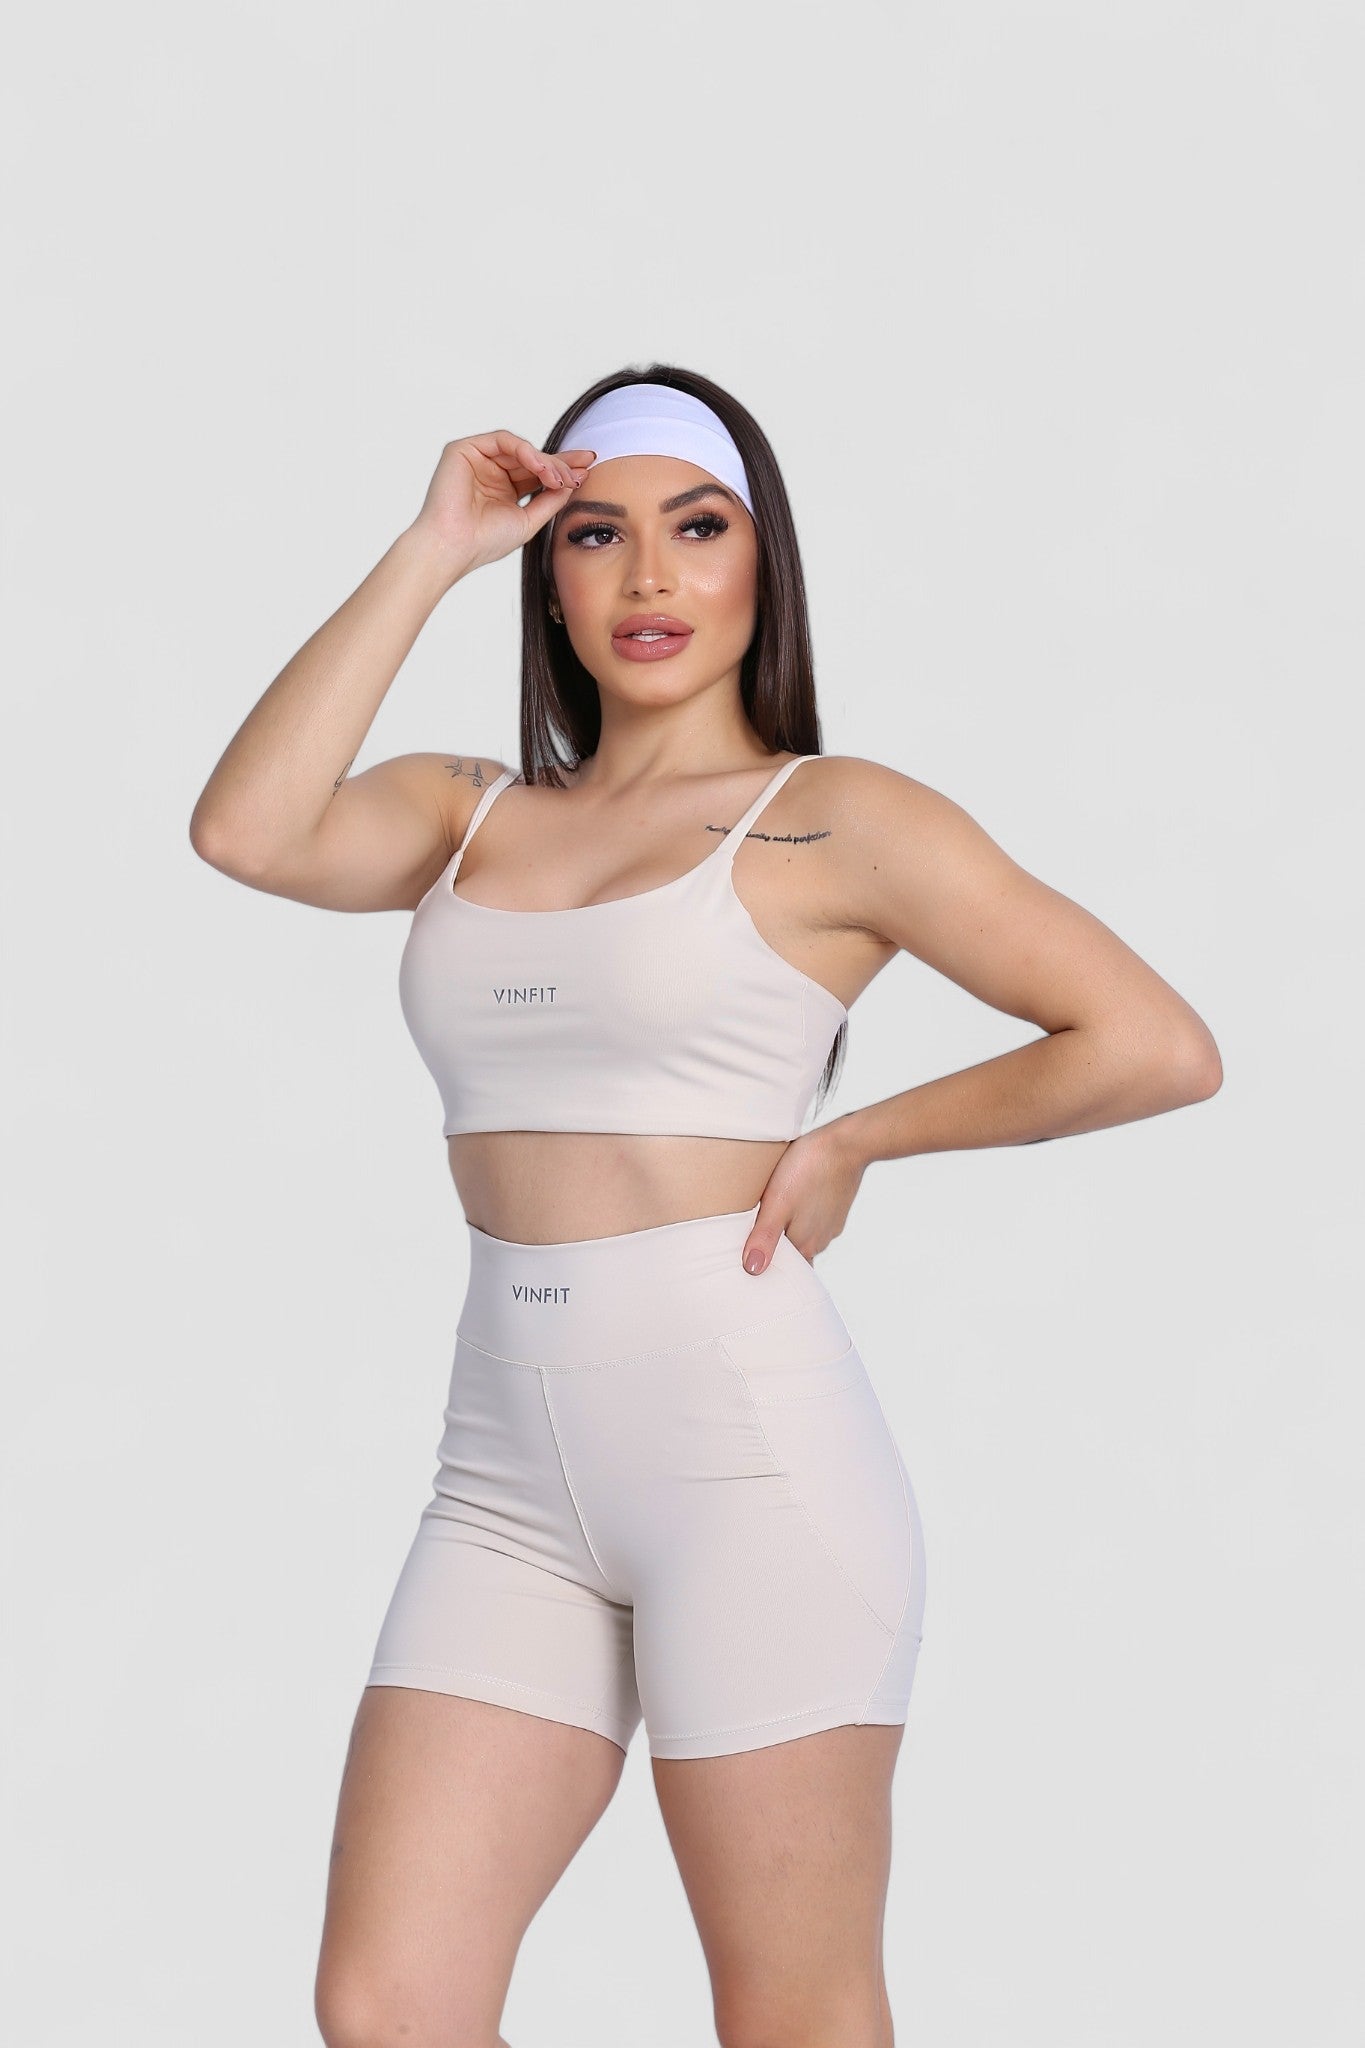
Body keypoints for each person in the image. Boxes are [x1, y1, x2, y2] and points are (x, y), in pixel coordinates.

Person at [189, 365, 1222, 2048]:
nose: (650, 577)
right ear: (549, 576)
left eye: (698, 528)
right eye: (596, 536)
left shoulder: (833, 818)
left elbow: (1153, 1044)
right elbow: (244, 832)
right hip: (501, 1484)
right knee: (390, 2006)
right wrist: (435, 545)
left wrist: (859, 1137)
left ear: (762, 566)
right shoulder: (467, 814)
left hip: (746, 1468)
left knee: (788, 2016)